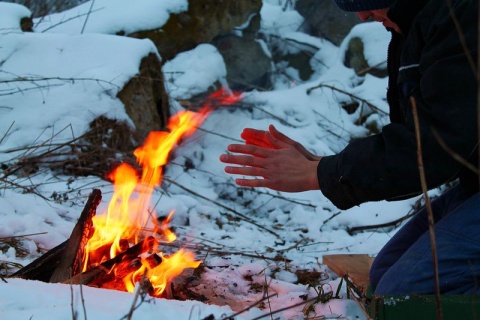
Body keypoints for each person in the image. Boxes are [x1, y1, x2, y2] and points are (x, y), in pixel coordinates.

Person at [219, 0, 479, 295]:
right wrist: (319, 164)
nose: (363, 14)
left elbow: (435, 148)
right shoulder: (415, 23)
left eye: (372, 1)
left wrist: (321, 174)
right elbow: (427, 139)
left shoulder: (463, 14)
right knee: (385, 273)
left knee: (408, 292)